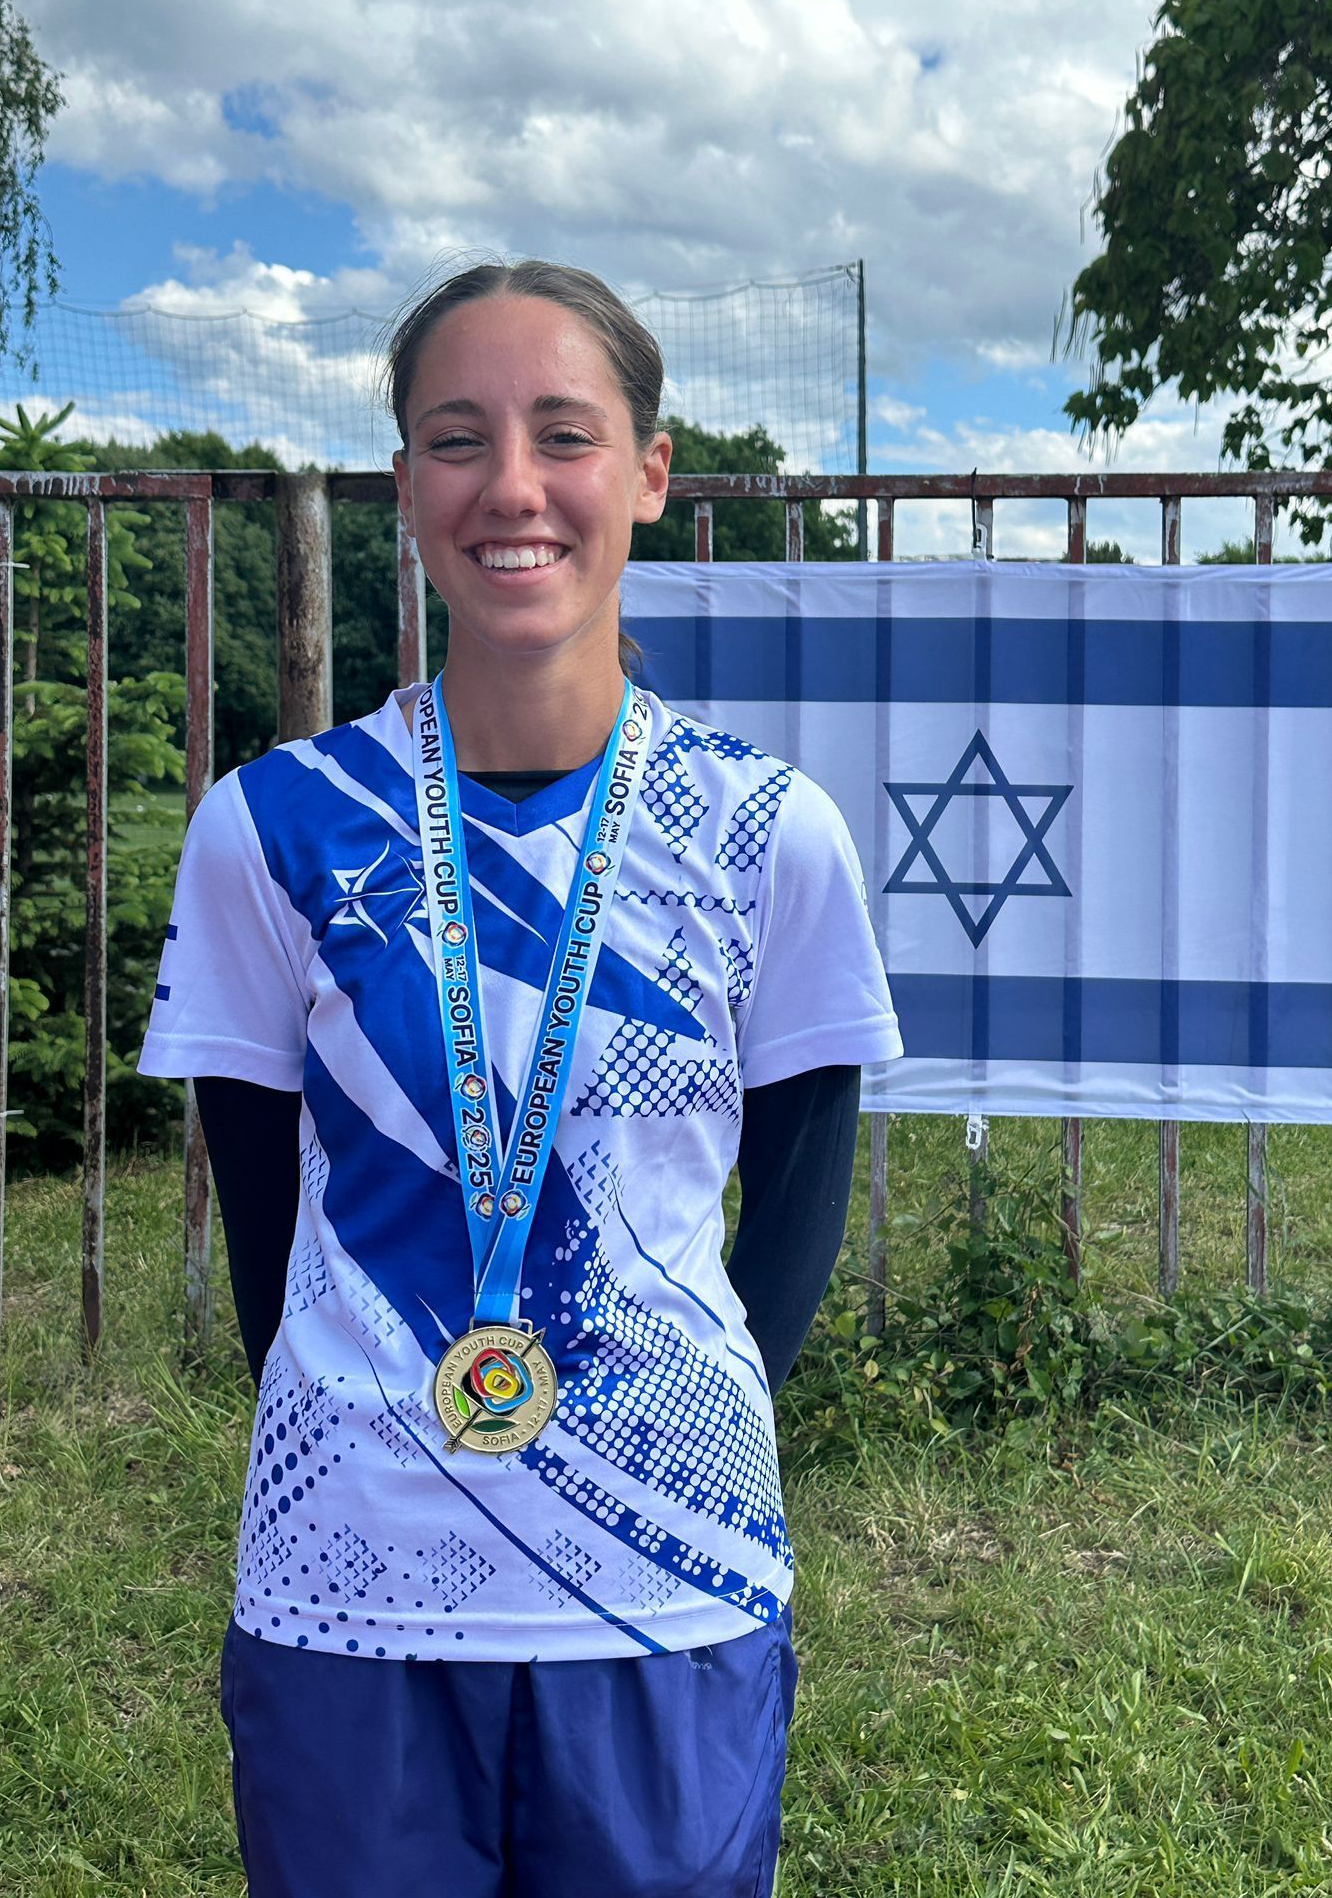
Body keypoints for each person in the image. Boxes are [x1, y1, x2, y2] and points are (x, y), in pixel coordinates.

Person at [139, 259, 902, 1898]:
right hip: (350, 1578)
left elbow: (794, 1220)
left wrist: (632, 1449)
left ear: (650, 471)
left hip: (667, 1578)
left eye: (565, 434)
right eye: (455, 437)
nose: (511, 486)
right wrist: (401, 1444)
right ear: (406, 480)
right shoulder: (272, 828)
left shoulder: (770, 834)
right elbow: (270, 1244)